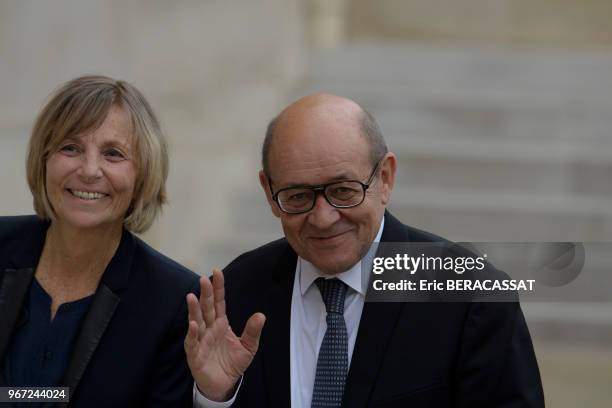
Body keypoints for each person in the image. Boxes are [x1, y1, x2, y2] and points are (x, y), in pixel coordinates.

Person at [185, 94, 545, 407]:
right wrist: (216, 399)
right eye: (298, 197)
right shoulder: (237, 295)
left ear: (385, 179)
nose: (323, 219)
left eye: (343, 191)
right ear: (269, 193)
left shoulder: (469, 298)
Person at [0, 75, 199, 407]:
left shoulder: (173, 301)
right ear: (44, 159)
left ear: (141, 175)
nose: (90, 170)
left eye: (113, 154)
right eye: (71, 148)